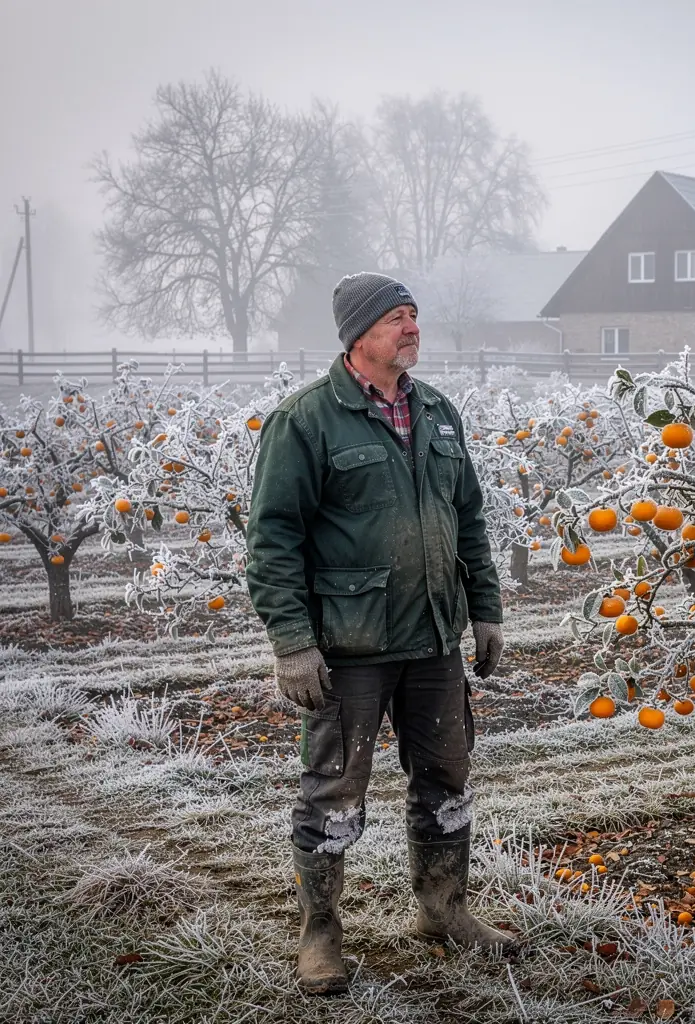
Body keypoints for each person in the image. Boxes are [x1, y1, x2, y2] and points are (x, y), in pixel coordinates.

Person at [246, 272, 510, 995]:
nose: (413, 327)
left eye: (415, 315)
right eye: (397, 318)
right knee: (334, 793)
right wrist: (292, 642)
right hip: (350, 647)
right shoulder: (307, 420)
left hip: (433, 640)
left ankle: (444, 911)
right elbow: (273, 540)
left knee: (447, 779)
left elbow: (469, 520)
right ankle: (320, 935)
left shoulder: (438, 412)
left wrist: (484, 608)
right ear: (358, 334)